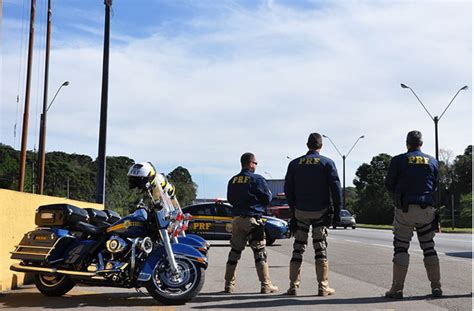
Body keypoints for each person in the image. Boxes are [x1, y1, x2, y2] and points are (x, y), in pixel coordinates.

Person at [385, 130, 441, 299]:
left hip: (405, 210)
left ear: (407, 143)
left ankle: (397, 289)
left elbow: (389, 184)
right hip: (427, 210)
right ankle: (436, 287)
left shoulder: (398, 160)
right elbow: (436, 186)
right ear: (421, 144)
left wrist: (398, 196)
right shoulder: (433, 161)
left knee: (401, 247)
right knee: (429, 247)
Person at [284, 133, 342, 296]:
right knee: (320, 249)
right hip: (320, 212)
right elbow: (336, 189)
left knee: (298, 249)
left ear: (307, 145)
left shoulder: (294, 164)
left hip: (300, 211)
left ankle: (293, 286)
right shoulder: (327, 163)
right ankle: (323, 287)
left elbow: (288, 189)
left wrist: (293, 209)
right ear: (321, 146)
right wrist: (337, 211)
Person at [224, 152, 278, 294]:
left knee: (234, 252)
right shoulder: (257, 179)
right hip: (252, 219)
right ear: (250, 163)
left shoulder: (233, 180)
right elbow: (267, 198)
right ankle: (265, 285)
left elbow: (230, 199)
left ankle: (229, 285)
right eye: (255, 163)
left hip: (236, 220)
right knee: (260, 252)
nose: (256, 165)